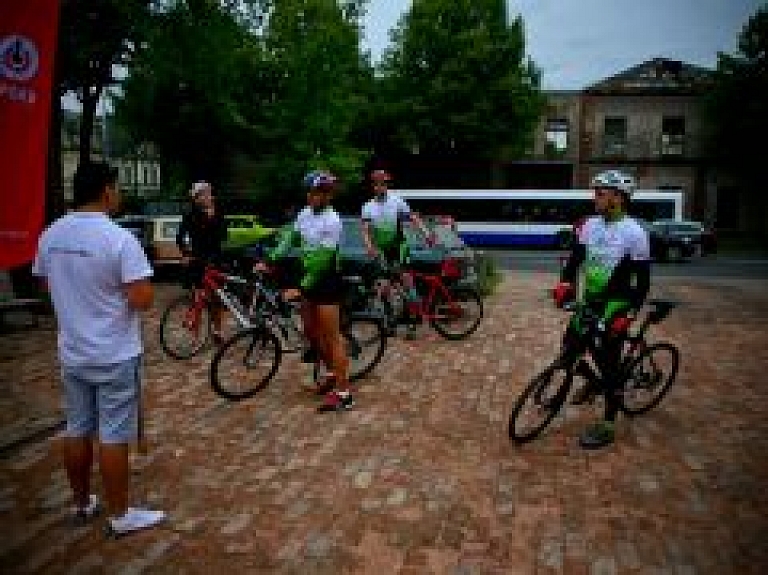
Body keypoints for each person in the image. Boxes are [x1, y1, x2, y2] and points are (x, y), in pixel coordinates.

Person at [32, 161, 166, 536]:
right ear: (107, 191)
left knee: (77, 428)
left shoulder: (51, 234)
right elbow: (142, 299)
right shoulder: (119, 239)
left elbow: (47, 286)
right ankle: (121, 514)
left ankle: (81, 503)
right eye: (117, 188)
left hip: (73, 351)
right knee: (113, 433)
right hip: (114, 353)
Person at [552, 169, 651, 449]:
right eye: (595, 192)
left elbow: (642, 284)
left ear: (618, 198)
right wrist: (564, 284)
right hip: (590, 301)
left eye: (600, 193)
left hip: (616, 306)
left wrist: (629, 316)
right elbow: (574, 261)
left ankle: (608, 423)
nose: (594, 197)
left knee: (610, 368)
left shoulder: (635, 234)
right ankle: (593, 382)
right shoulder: (589, 225)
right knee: (569, 348)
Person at [262, 170, 353, 412]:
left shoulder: (333, 221)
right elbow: (289, 239)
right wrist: (270, 258)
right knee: (312, 333)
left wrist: (300, 288)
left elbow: (322, 261)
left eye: (317, 192)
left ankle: (344, 394)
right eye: (310, 192)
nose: (311, 196)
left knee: (332, 337)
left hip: (327, 280)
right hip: (308, 278)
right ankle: (332, 374)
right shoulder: (304, 214)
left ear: (328, 195)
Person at [360, 169, 433, 336]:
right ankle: (390, 321)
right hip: (383, 251)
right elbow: (365, 230)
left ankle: (413, 322)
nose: (382, 186)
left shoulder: (397, 201)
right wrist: (369, 246)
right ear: (373, 186)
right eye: (378, 184)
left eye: (384, 183)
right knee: (384, 288)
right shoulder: (368, 207)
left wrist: (427, 234)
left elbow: (413, 218)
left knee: (407, 282)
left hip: (399, 246)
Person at [176, 181, 228, 343]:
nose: (209, 196)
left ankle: (217, 331)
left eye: (210, 193)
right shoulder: (190, 215)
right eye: (205, 194)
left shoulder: (218, 212)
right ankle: (195, 334)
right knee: (197, 298)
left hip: (215, 260)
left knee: (216, 299)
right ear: (197, 198)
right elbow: (180, 237)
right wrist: (185, 254)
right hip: (197, 260)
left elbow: (223, 236)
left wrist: (214, 219)